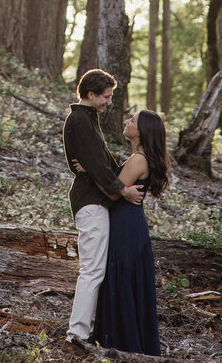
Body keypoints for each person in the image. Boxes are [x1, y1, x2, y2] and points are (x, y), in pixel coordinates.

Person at [62, 69, 145, 349]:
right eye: (106, 97)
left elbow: (101, 161)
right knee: (93, 270)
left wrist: (103, 171)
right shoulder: (80, 121)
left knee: (97, 269)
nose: (109, 102)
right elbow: (97, 166)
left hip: (96, 199)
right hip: (90, 201)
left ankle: (89, 329)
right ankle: (77, 333)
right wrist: (122, 189)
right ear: (91, 94)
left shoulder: (89, 119)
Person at [90, 108, 170, 356]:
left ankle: (124, 344)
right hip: (129, 224)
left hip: (126, 227)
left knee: (120, 280)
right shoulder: (138, 157)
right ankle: (124, 340)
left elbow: (112, 192)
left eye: (133, 120)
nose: (127, 121)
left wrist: (88, 170)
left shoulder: (138, 160)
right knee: (121, 280)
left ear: (143, 131)